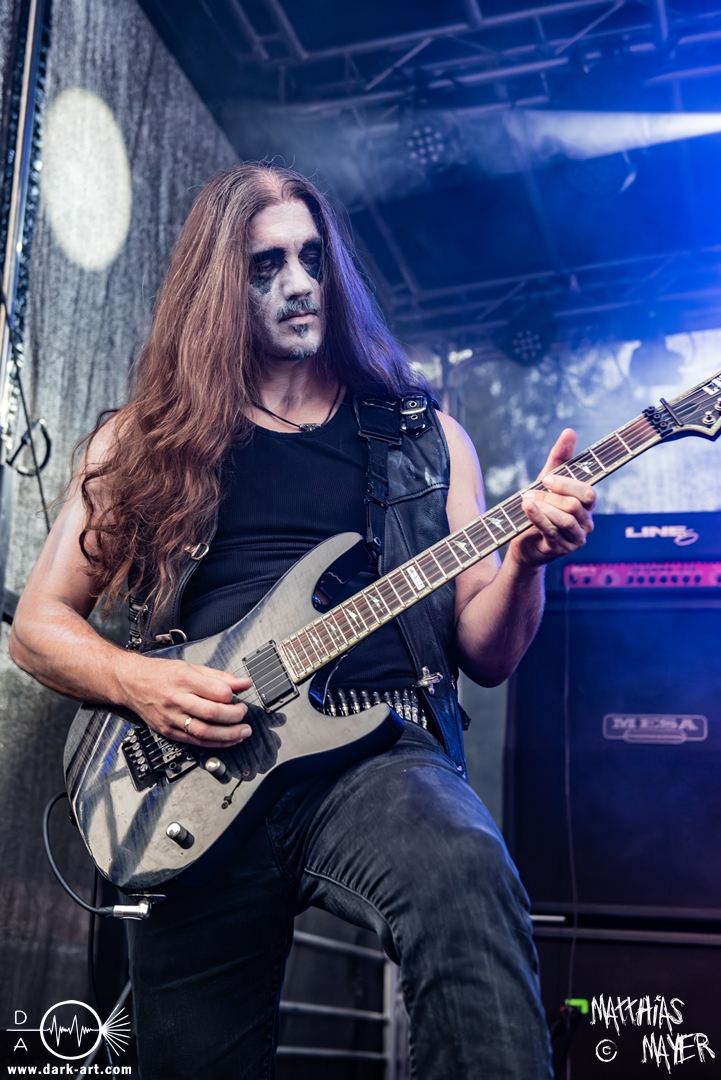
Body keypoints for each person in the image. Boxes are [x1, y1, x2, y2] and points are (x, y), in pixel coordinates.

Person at [9, 163, 594, 1079]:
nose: (299, 283)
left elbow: (486, 652)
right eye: (266, 265)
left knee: (465, 874)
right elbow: (39, 625)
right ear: (216, 286)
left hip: (373, 754)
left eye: (312, 258)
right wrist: (142, 682)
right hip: (190, 776)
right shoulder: (144, 441)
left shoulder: (425, 440)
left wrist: (523, 562)